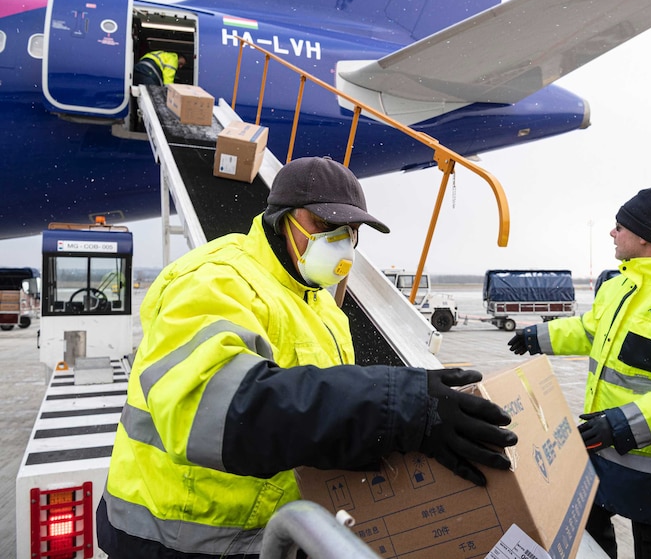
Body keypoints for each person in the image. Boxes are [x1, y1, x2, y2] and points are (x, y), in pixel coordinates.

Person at [96, 156, 517, 558]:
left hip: (271, 536)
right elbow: (217, 410)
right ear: (283, 219)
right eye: (327, 224)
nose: (343, 242)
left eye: (352, 230)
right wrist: (393, 406)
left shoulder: (325, 308)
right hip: (177, 541)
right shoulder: (215, 280)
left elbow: (320, 414)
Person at [507, 182, 651, 559]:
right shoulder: (619, 287)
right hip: (602, 453)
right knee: (591, 541)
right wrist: (538, 336)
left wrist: (620, 425)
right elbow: (590, 330)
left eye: (620, 226)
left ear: (645, 237)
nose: (613, 233)